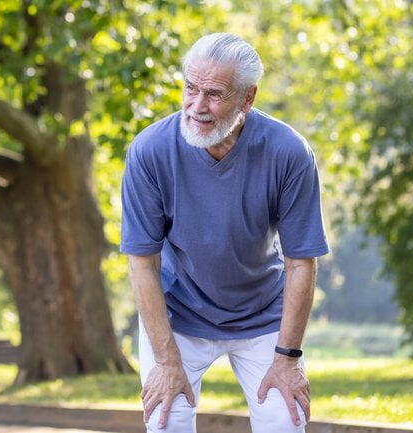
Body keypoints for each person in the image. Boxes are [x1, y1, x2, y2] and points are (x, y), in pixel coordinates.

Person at [120, 32, 330, 433]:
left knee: (286, 422)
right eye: (190, 89)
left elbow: (301, 262)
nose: (197, 106)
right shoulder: (149, 151)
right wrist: (166, 363)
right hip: (177, 316)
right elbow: (142, 264)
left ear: (247, 99)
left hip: (262, 316)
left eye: (214, 94)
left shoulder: (288, 152)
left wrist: (287, 359)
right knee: (166, 423)